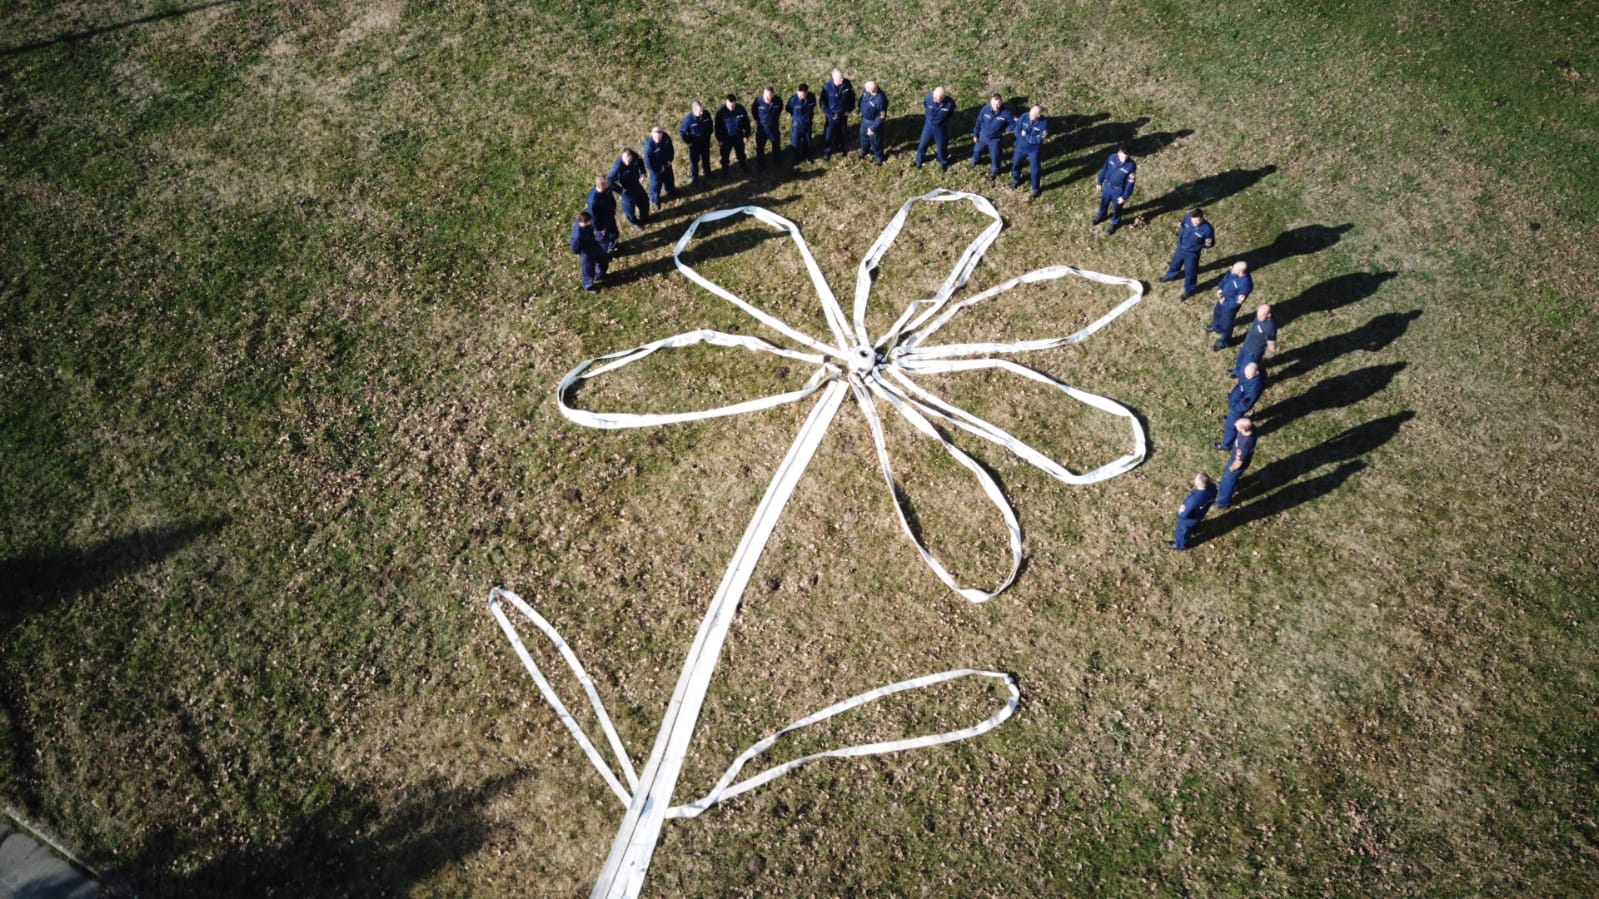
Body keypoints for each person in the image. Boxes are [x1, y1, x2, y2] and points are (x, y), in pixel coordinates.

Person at [1159, 208, 1215, 299]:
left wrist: (1198, 247)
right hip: (1181, 247)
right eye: (1192, 221)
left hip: (1192, 254)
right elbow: (1183, 225)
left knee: (1190, 272)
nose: (1194, 223)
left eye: (1196, 222)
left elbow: (1210, 244)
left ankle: (1189, 290)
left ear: (1202, 218)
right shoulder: (1188, 217)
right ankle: (1170, 276)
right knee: (1175, 263)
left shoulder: (1207, 229)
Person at [1217, 362, 1266, 450]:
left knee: (1230, 425)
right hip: (1237, 395)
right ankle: (1230, 419)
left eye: (1248, 376)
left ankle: (1226, 445)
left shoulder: (1254, 388)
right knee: (1231, 419)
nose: (1246, 376)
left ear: (1257, 373)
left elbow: (1245, 404)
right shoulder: (1250, 372)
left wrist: (1234, 407)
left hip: (1238, 407)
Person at [1093, 145, 1137, 235]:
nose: (1123, 159)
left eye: (1126, 157)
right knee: (1103, 202)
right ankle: (1102, 215)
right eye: (1121, 156)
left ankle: (1115, 222)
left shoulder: (1131, 166)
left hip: (1118, 191)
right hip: (1107, 186)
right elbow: (1104, 170)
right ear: (1118, 153)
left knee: (1117, 208)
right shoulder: (1111, 158)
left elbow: (1130, 183)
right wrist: (1099, 182)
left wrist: (1124, 196)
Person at [1214, 417, 1256, 509]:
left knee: (1227, 482)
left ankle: (1222, 502)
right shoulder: (1252, 429)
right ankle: (1235, 486)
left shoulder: (1244, 445)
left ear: (1244, 429)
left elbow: (1238, 463)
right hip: (1237, 460)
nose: (1235, 427)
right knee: (1231, 479)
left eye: (1237, 427)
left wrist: (1231, 469)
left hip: (1236, 464)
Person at [1168, 472, 1217, 550]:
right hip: (1201, 513)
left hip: (1190, 519)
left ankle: (1180, 545)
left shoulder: (1193, 500)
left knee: (1182, 531)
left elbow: (1183, 515)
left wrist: (1179, 513)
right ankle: (1194, 529)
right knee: (1194, 524)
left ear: (1198, 484)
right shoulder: (1213, 488)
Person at [1210, 261, 1252, 350]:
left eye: (1234, 270)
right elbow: (1226, 279)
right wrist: (1220, 289)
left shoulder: (1246, 285)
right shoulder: (1233, 271)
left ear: (1241, 272)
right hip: (1222, 298)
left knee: (1226, 324)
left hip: (1229, 307)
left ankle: (1224, 342)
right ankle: (1216, 326)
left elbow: (1237, 301)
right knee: (1217, 312)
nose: (1232, 270)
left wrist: (1224, 303)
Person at [971, 94, 1014, 179]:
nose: (996, 106)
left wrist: (1005, 129)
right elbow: (979, 121)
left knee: (995, 156)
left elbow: (1014, 124)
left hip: (995, 140)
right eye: (994, 104)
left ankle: (995, 171)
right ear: (990, 102)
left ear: (1001, 103)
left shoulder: (1006, 113)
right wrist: (975, 134)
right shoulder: (985, 109)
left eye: (998, 104)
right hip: (982, 137)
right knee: (976, 150)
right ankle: (974, 162)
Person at [607, 148, 650, 229]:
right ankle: (636, 223)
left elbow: (640, 162)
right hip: (627, 191)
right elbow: (609, 181)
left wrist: (643, 173)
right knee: (629, 210)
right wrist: (620, 190)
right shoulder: (618, 167)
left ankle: (645, 218)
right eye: (625, 160)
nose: (627, 162)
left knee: (644, 201)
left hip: (637, 185)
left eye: (629, 159)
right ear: (622, 157)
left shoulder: (635, 158)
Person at [914, 86, 955, 171]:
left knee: (941, 146)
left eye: (938, 98)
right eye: (934, 97)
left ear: (943, 97)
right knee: (923, 144)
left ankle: (943, 162)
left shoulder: (949, 103)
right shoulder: (928, 98)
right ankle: (919, 160)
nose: (935, 99)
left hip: (940, 127)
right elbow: (925, 105)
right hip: (928, 126)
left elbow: (950, 114)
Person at [1233, 304, 1279, 377]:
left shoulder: (1270, 327)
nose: (1258, 317)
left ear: (1269, 315)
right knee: (1239, 361)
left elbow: (1271, 342)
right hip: (1247, 344)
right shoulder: (1259, 317)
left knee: (1246, 368)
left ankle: (1243, 378)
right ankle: (1236, 372)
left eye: (1261, 316)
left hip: (1254, 351)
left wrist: (1273, 348)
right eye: (1258, 314)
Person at [1010, 105, 1047, 197]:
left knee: (1035, 170)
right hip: (1020, 147)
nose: (1030, 114)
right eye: (1031, 111)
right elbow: (1017, 131)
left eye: (1033, 113)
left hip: (1034, 150)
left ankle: (1035, 189)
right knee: (1016, 165)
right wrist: (1027, 138)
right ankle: (1016, 180)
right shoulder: (1024, 117)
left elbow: (1039, 140)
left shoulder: (1043, 123)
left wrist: (1026, 136)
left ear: (1038, 115)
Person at [820, 68, 856, 160]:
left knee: (842, 132)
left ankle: (841, 147)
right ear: (833, 78)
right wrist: (830, 115)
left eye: (842, 77)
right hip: (831, 116)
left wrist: (849, 110)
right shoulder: (827, 88)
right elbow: (823, 103)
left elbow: (852, 98)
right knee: (829, 134)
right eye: (840, 78)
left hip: (843, 115)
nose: (842, 80)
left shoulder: (847, 84)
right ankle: (827, 151)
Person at [570, 211, 609, 292]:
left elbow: (592, 229)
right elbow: (575, 248)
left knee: (603, 260)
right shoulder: (577, 235)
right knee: (588, 270)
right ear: (584, 222)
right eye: (590, 221)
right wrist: (582, 252)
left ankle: (600, 274)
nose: (591, 222)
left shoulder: (585, 224)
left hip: (594, 245)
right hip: (586, 253)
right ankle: (588, 286)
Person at [642, 127, 678, 210]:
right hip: (656, 170)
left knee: (669, 179)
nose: (658, 139)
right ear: (652, 135)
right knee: (655, 186)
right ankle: (655, 201)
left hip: (667, 164)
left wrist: (670, 160)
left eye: (660, 137)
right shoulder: (649, 147)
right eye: (656, 137)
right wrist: (658, 168)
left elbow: (671, 149)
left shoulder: (666, 138)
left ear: (662, 134)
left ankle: (671, 191)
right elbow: (648, 163)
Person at [679, 101, 714, 185]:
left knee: (706, 158)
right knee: (694, 161)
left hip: (705, 142)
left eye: (702, 110)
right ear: (694, 111)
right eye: (700, 111)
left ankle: (707, 173)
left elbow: (710, 124)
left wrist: (709, 134)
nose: (702, 112)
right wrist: (688, 142)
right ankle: (695, 178)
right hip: (695, 144)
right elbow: (682, 132)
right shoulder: (688, 120)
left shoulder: (706, 114)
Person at [714, 94, 750, 173]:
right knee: (724, 155)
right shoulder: (721, 112)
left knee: (741, 153)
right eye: (729, 105)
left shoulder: (741, 109)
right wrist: (719, 139)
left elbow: (747, 124)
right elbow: (717, 128)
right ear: (726, 102)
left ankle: (743, 165)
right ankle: (725, 169)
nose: (731, 107)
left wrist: (746, 135)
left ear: (735, 103)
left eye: (733, 105)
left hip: (739, 137)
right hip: (726, 138)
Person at [586, 175, 620, 254]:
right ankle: (604, 255)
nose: (609, 183)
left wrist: (613, 208)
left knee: (614, 233)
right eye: (607, 182)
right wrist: (600, 229)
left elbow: (611, 199)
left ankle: (613, 245)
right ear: (602, 185)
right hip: (602, 225)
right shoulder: (593, 201)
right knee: (603, 241)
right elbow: (593, 217)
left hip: (609, 217)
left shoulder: (607, 189)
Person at [752, 87, 784, 169]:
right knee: (760, 147)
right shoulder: (758, 102)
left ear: (773, 95)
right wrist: (759, 121)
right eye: (765, 96)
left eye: (769, 97)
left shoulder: (778, 101)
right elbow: (754, 112)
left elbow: (780, 109)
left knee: (776, 145)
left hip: (773, 128)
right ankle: (760, 164)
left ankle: (777, 161)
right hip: (762, 129)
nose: (767, 98)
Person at [858, 80, 888, 164]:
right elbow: (862, 100)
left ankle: (879, 157)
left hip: (873, 122)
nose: (864, 88)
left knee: (876, 142)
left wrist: (872, 128)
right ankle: (865, 151)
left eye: (866, 88)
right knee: (863, 137)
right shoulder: (866, 92)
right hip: (865, 120)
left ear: (871, 90)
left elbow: (881, 117)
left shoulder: (880, 100)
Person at [787, 83, 817, 164]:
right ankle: (795, 158)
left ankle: (807, 156)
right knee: (795, 142)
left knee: (807, 142)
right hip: (797, 125)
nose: (800, 97)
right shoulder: (793, 99)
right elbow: (788, 108)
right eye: (799, 95)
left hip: (807, 124)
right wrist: (795, 116)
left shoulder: (812, 97)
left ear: (807, 93)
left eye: (802, 95)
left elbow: (813, 105)